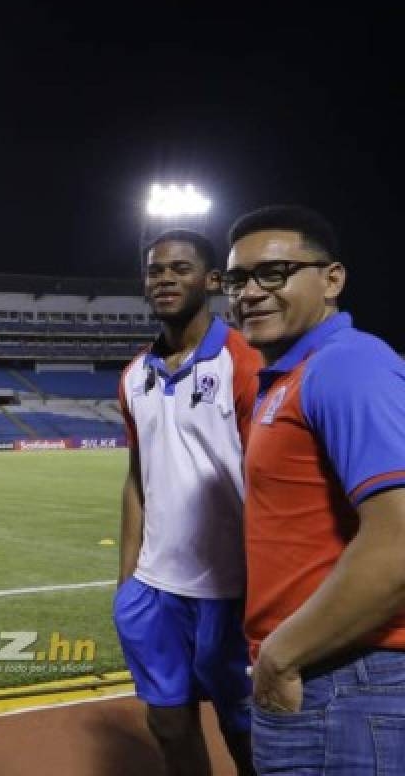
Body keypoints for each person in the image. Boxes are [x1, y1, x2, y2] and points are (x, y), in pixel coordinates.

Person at [225, 205, 405, 774]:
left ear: (332, 279)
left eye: (274, 273)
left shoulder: (346, 366)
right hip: (330, 674)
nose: (250, 292)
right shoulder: (292, 376)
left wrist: (281, 656)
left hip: (346, 679)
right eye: (237, 279)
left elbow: (400, 541)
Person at [114, 230, 260, 776]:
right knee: (170, 729)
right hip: (154, 594)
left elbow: (265, 481)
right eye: (156, 271)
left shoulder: (244, 364)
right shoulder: (134, 376)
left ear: (213, 280)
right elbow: (137, 479)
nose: (166, 279)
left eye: (180, 268)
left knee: (247, 735)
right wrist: (128, 583)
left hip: (231, 593)